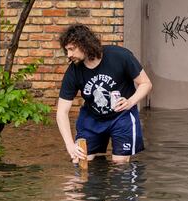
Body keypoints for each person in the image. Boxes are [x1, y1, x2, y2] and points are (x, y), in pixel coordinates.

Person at [56, 24, 153, 164]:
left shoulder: (120, 56)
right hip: (92, 118)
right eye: (67, 50)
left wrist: (130, 102)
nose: (69, 55)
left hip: (122, 115)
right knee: (81, 161)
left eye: (71, 49)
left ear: (84, 45)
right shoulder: (73, 71)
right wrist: (70, 145)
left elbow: (146, 83)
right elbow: (61, 112)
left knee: (120, 165)